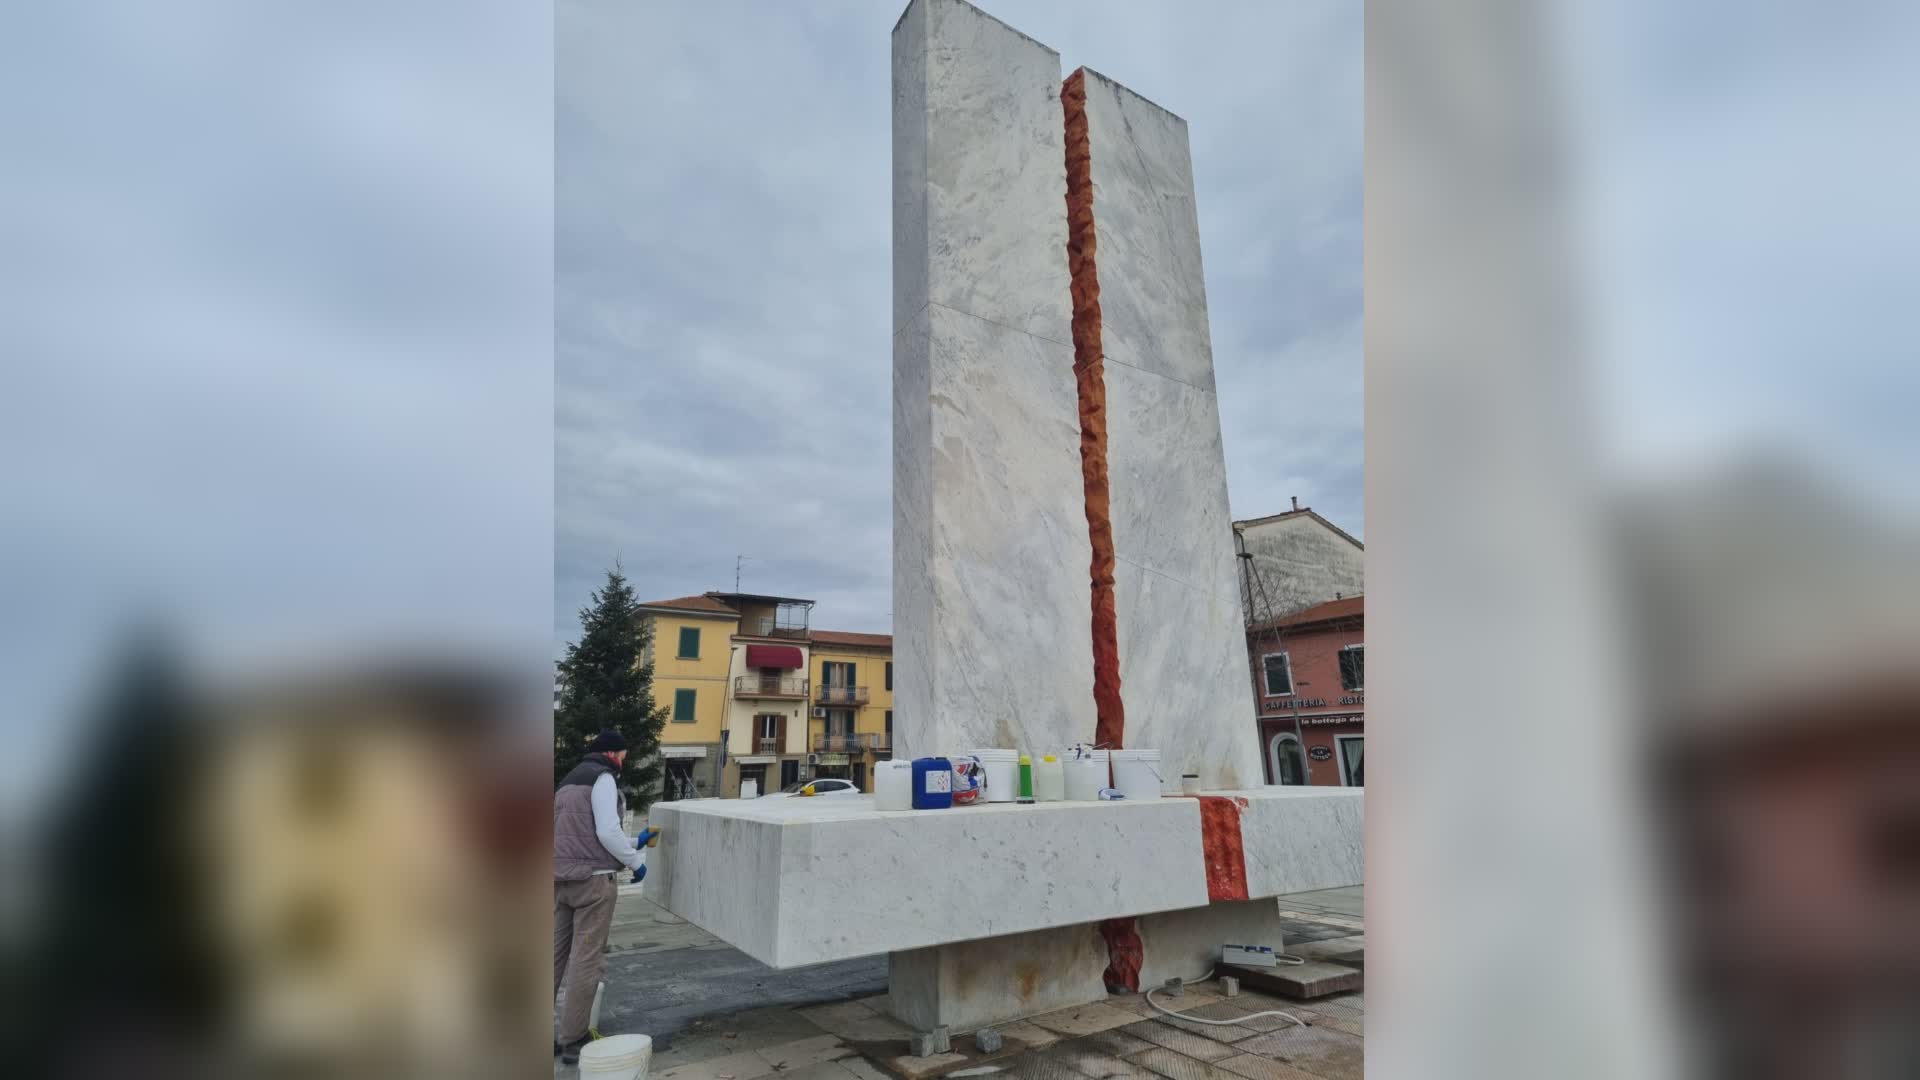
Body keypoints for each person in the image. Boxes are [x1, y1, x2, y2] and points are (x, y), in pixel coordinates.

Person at [553, 729, 658, 1064]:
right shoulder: (604, 778)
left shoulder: (570, 780)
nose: (624, 762)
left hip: (559, 879)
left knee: (553, 956)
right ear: (613, 755)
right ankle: (573, 1039)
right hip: (593, 884)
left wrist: (634, 842)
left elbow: (580, 831)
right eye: (624, 756)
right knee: (586, 960)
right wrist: (636, 863)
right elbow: (605, 831)